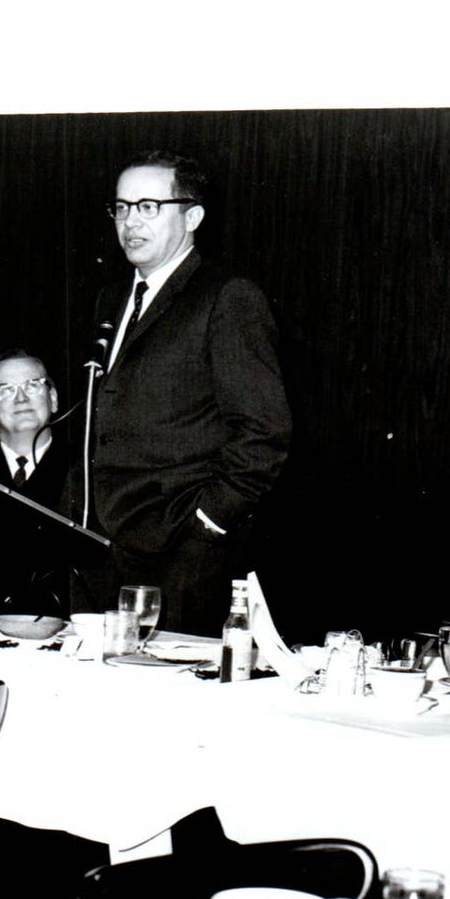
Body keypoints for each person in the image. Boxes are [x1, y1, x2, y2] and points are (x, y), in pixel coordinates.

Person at [84, 149, 291, 636]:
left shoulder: (227, 296)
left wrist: (207, 523)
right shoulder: (110, 297)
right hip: (101, 547)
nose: (131, 221)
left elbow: (265, 433)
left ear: (193, 216)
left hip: (181, 552)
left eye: (149, 206)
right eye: (122, 207)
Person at [0, 348, 74, 614]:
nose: (21, 398)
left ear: (53, 398)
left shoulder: (86, 471)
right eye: (6, 389)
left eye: (33, 385)